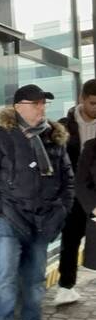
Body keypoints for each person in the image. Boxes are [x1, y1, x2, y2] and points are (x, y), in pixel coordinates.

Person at [0, 84, 73, 320]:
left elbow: (67, 182)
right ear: (18, 108)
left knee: (35, 277)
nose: (41, 108)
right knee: (5, 272)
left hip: (44, 219)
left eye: (43, 104)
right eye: (35, 103)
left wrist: (60, 210)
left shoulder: (54, 138)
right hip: (9, 218)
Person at [54, 79, 96, 305]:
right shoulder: (63, 126)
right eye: (93, 103)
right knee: (71, 239)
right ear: (82, 99)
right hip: (73, 195)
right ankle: (65, 286)